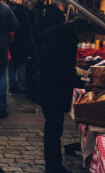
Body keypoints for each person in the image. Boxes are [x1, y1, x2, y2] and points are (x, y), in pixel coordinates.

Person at [38, 17, 91, 173]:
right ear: (79, 31)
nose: (85, 40)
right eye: (86, 36)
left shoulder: (57, 36)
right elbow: (63, 71)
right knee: (53, 131)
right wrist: (82, 82)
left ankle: (53, 165)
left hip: (50, 89)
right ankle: (54, 167)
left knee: (53, 130)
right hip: (56, 91)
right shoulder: (64, 42)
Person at [8, 0, 34, 93]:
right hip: (22, 40)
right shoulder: (23, 10)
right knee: (21, 63)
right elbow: (27, 27)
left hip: (11, 40)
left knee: (12, 63)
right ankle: (22, 85)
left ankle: (12, 84)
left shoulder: (8, 8)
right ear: (20, 0)